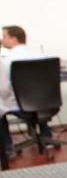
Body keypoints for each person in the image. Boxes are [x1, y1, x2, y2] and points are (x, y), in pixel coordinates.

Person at [0, 25, 48, 157]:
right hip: (47, 103)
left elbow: (4, 89)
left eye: (4, 36)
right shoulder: (42, 56)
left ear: (14, 39)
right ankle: (46, 135)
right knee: (38, 101)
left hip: (21, 105)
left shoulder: (6, 61)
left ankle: (7, 147)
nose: (1, 40)